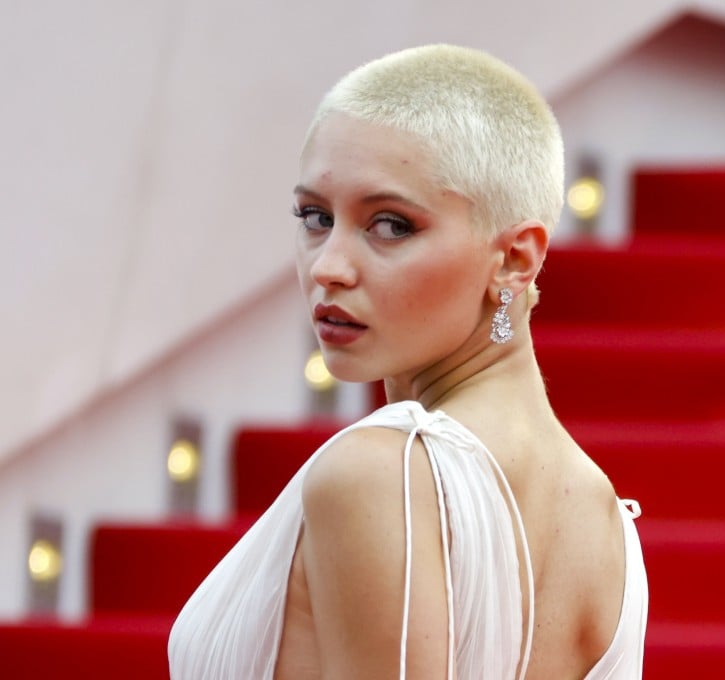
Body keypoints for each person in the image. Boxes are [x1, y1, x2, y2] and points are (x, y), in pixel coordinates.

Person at [168, 44, 647, 679]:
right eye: (315, 216)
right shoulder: (606, 519)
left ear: (514, 259)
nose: (328, 267)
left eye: (390, 225)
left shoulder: (374, 473)